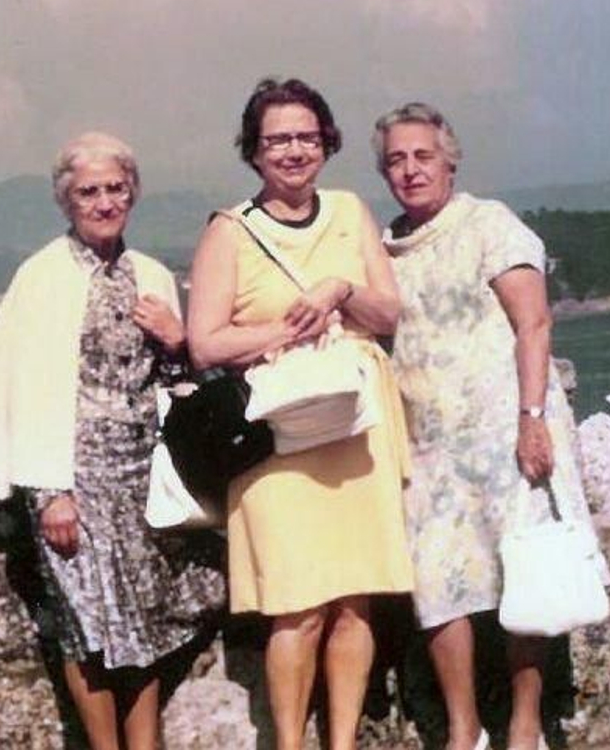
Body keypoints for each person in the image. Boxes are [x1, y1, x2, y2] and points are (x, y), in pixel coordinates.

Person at [0, 132, 224, 750]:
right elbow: (21, 385)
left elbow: (178, 388)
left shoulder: (154, 274)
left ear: (132, 193)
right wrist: (51, 492)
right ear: (66, 201)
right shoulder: (42, 277)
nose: (106, 202)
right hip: (72, 477)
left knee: (143, 618)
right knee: (84, 621)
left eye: (116, 188)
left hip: (140, 475)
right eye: (90, 191)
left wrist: (177, 340)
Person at [187, 78, 414, 750]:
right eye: (277, 139)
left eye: (306, 137)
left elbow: (390, 313)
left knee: (355, 599)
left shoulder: (349, 212)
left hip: (357, 423)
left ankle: (340, 743)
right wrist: (288, 330)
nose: (293, 151)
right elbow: (206, 342)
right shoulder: (230, 232)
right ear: (254, 152)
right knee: (296, 608)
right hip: (279, 432)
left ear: (327, 143)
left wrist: (339, 288)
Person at [374, 102, 602, 750]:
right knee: (440, 586)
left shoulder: (489, 224)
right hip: (430, 442)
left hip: (506, 427)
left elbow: (533, 323)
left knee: (523, 574)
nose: (411, 169)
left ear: (450, 159)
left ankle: (526, 724)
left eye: (423, 155)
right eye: (396, 159)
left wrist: (532, 420)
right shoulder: (384, 250)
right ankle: (463, 728)